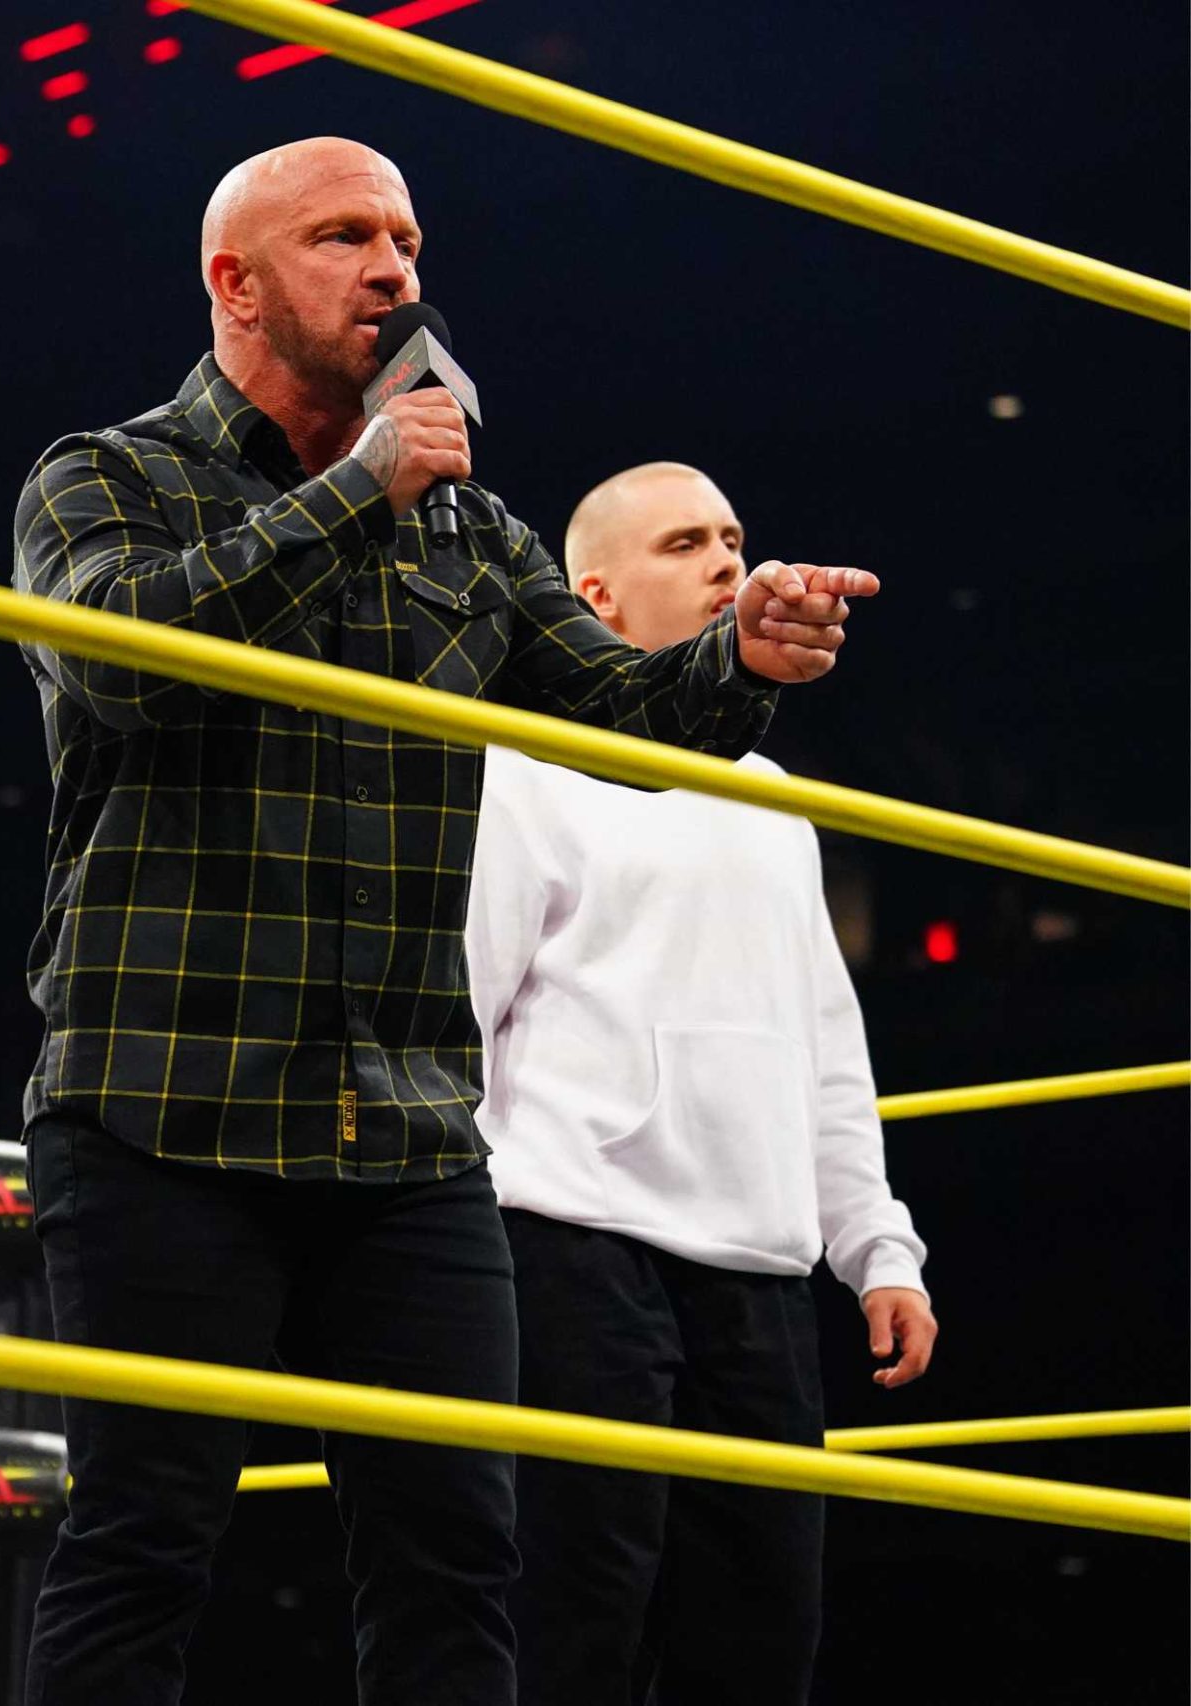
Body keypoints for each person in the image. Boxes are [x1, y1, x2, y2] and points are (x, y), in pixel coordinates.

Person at [10, 137, 876, 1706]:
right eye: (346, 236)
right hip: (166, 1104)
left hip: (403, 1133)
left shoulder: (467, 531)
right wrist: (355, 493)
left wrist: (741, 656)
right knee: (142, 1544)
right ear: (236, 284)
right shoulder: (108, 476)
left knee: (459, 1564)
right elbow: (121, 664)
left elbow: (623, 716)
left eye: (406, 239)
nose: (396, 270)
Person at [467, 461, 935, 1705]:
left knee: (760, 1631)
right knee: (573, 1618)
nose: (728, 559)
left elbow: (822, 1044)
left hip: (758, 1265)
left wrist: (878, 1249)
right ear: (595, 597)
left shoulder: (771, 798)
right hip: (570, 1241)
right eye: (684, 542)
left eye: (731, 535)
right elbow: (459, 1015)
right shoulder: (527, 765)